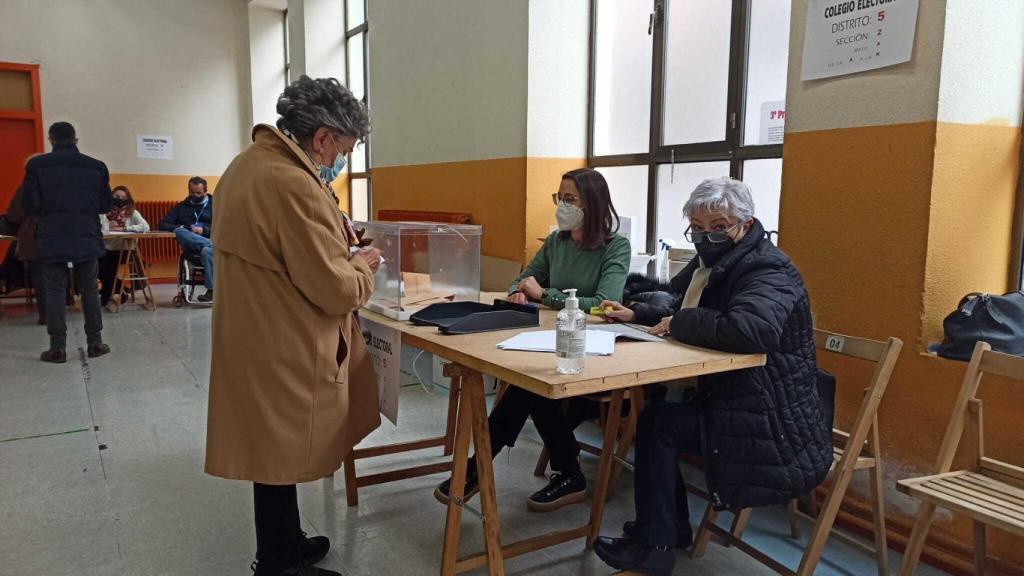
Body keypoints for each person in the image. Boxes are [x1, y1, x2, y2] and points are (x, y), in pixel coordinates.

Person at [592, 177, 832, 575]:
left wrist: (679, 322)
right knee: (654, 412)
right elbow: (677, 302)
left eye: (719, 227)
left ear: (747, 224)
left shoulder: (768, 268)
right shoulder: (715, 260)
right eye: (699, 229)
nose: (707, 237)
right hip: (732, 398)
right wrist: (639, 313)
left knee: (658, 424)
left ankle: (656, 547)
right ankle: (667, 529)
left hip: (769, 418)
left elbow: (750, 330)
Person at [205, 75, 381, 576]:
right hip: (284, 336)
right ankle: (279, 563)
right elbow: (335, 290)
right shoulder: (292, 183)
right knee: (280, 446)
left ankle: (283, 542)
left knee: (270, 450)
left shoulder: (248, 165)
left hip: (254, 329)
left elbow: (285, 252)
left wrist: (333, 243)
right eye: (341, 149)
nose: (338, 162)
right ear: (322, 137)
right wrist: (363, 264)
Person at [434, 168, 631, 513]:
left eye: (570, 199)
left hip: (593, 346)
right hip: (551, 339)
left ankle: (478, 466)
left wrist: (546, 296)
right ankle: (568, 471)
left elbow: (604, 304)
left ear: (593, 204)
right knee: (531, 385)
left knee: (529, 386)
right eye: (560, 198)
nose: (562, 206)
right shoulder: (557, 241)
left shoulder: (616, 247)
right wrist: (518, 292)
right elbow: (524, 277)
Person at [22, 121, 112, 363]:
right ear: (76, 140)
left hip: (51, 237)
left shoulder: (36, 166)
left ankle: (57, 348)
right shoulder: (96, 167)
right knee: (90, 290)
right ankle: (95, 343)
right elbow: (105, 205)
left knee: (54, 291)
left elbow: (29, 204)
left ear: (51, 140)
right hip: (87, 235)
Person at [4, 154, 47, 324]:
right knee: (58, 274)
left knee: (40, 277)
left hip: (34, 234)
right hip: (58, 234)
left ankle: (46, 314)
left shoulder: (26, 187)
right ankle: (62, 308)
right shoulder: (59, 184)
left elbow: (14, 214)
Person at [159, 176, 214, 302]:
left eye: (199, 193)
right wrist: (184, 227)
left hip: (209, 240)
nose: (195, 195)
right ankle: (210, 244)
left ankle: (212, 291)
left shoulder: (215, 205)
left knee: (207, 250)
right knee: (179, 231)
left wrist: (204, 230)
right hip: (191, 243)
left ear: (205, 192)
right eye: (192, 193)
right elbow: (163, 224)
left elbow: (224, 227)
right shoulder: (181, 206)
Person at [98, 186, 150, 308]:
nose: (120, 199)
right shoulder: (103, 212)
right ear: (111, 197)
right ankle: (121, 289)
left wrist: (125, 228)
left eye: (123, 197)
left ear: (128, 199)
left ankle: (106, 296)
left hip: (124, 249)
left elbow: (145, 227)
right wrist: (106, 226)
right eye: (117, 197)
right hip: (104, 247)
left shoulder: (132, 212)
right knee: (96, 265)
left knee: (109, 264)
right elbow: (96, 227)